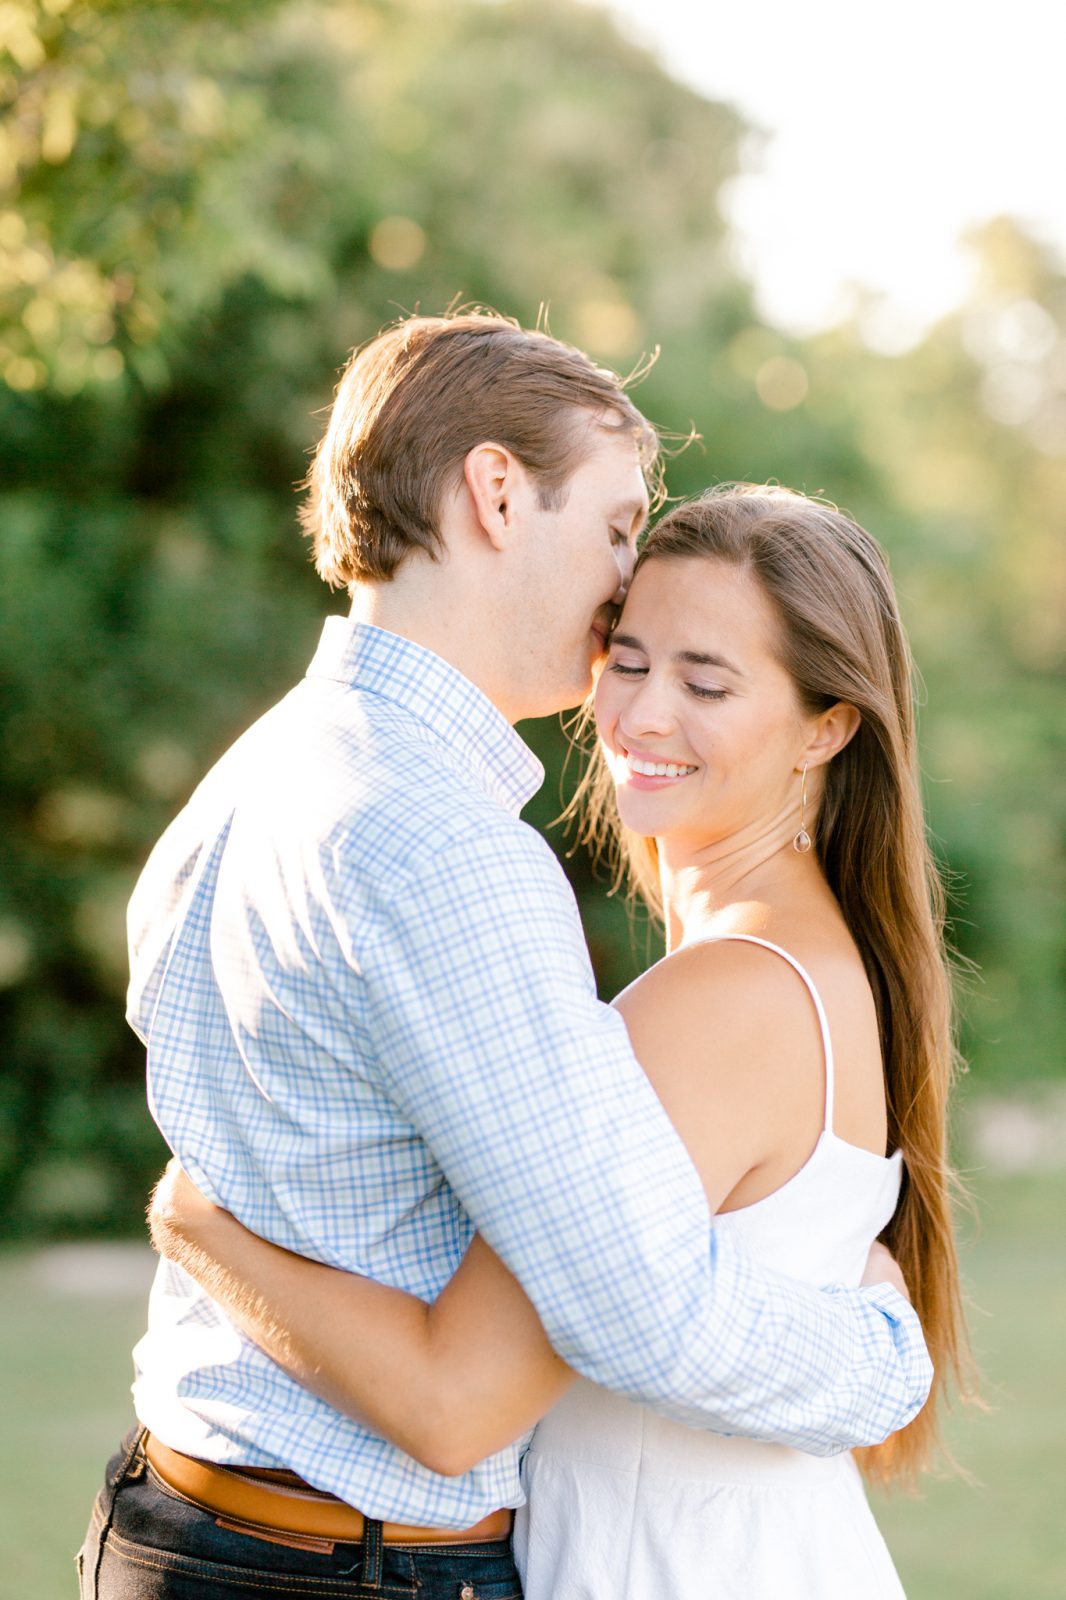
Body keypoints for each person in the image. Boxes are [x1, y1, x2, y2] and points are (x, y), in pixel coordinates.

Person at [79, 313, 932, 1600]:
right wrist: (880, 1357)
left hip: (191, 1515)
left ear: (825, 729)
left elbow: (535, 1343)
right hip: (332, 1561)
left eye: (703, 678)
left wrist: (200, 1221)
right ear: (493, 493)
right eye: (612, 531)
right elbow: (529, 1364)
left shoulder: (258, 772)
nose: (615, 614)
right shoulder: (449, 846)